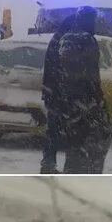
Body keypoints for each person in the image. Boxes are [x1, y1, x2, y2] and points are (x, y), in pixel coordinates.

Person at [56, 6, 111, 174]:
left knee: (74, 148)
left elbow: (61, 71)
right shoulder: (87, 40)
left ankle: (72, 177)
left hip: (69, 103)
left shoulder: (66, 39)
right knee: (95, 147)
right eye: (93, 20)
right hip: (86, 103)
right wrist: (98, 101)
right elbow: (92, 75)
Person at [40, 14, 76, 174]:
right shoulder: (64, 42)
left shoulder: (57, 39)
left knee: (53, 130)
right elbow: (62, 70)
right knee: (63, 130)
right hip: (59, 93)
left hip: (53, 92)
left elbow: (50, 70)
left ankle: (48, 162)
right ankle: (52, 164)